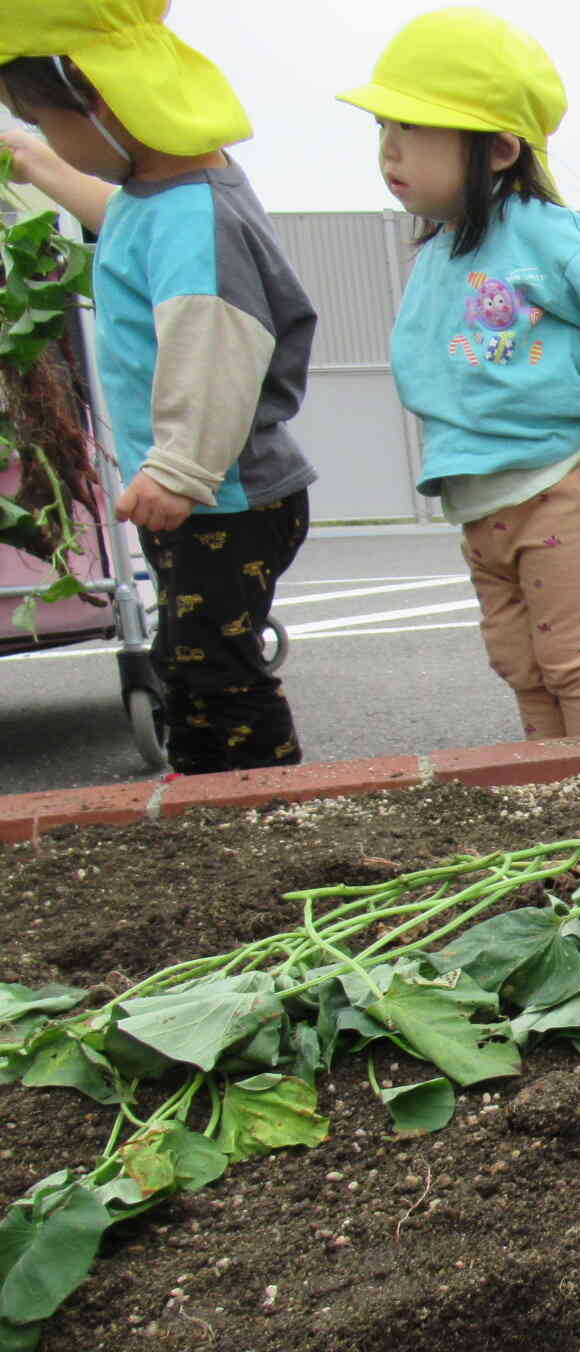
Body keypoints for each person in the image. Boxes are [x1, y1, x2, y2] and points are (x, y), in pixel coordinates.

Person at [1, 2, 316, 776]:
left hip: (220, 499)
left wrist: (178, 469)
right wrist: (35, 163)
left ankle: (262, 804)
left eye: (43, 123)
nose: (47, 139)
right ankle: (206, 789)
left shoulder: (191, 220)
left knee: (217, 668)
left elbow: (217, 348)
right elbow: (122, 226)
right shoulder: (167, 197)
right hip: (207, 493)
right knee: (189, 654)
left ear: (102, 103)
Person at [338, 8, 580, 741]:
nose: (390, 148)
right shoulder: (443, 247)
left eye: (413, 127)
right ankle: (554, 790)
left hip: (560, 489)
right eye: (383, 127)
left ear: (498, 150)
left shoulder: (540, 232)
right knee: (520, 666)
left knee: (574, 666)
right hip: (480, 500)